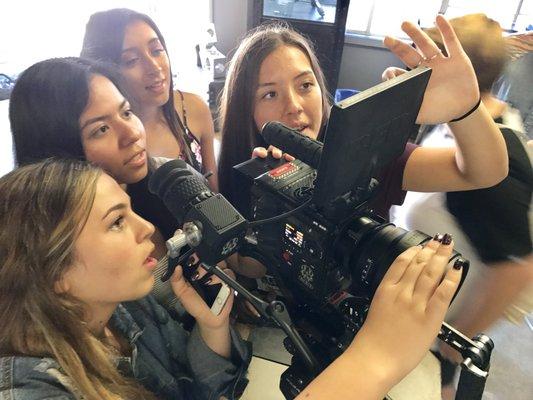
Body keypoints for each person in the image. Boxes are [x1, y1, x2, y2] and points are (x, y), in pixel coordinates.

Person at [0, 158, 464, 400]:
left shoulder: (116, 309)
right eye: (117, 222)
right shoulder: (30, 390)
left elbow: (199, 390)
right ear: (54, 272)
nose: (147, 229)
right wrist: (374, 359)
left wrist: (213, 330)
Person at [217, 15, 508, 280]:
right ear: (246, 110)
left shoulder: (365, 155)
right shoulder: (240, 170)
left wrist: (464, 111)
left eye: (305, 85)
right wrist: (274, 200)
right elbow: (249, 270)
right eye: (270, 94)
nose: (294, 106)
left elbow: (483, 173)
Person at [386, 14, 533, 399]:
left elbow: (517, 268)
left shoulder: (497, 161)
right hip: (408, 313)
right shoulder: (456, 122)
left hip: (432, 335)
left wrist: (459, 336)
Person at [81, 8, 219, 191]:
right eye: (131, 60)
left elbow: (216, 193)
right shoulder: (110, 142)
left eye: (156, 51)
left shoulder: (193, 108)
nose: (154, 67)